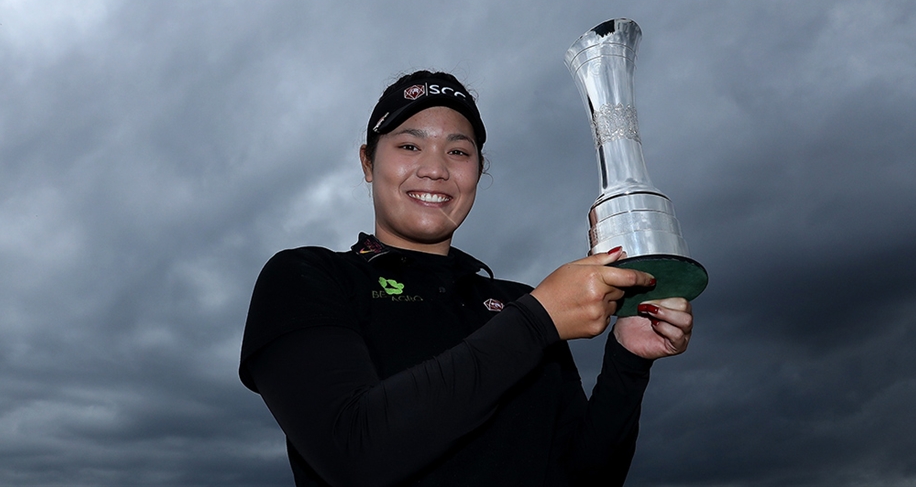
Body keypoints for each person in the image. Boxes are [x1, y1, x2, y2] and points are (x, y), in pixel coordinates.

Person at [239, 70, 693, 487]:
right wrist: (537, 322)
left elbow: (582, 478)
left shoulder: (518, 301)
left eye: (458, 151)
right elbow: (353, 454)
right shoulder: (308, 277)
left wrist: (628, 360)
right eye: (409, 145)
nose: (435, 169)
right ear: (367, 162)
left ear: (479, 170)